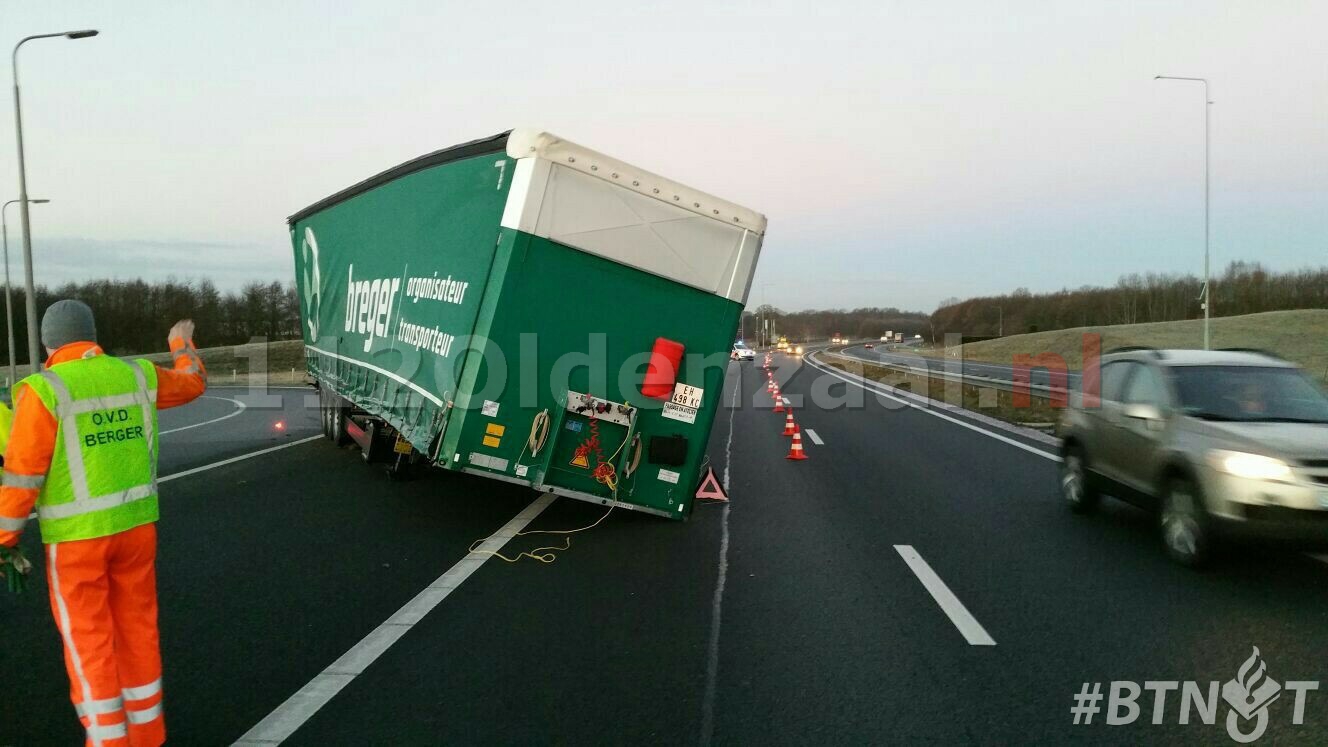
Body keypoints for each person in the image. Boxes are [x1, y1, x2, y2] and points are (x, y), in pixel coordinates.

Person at [0, 300, 206, 747]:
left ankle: (109, 741)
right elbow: (192, 384)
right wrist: (181, 342)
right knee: (138, 631)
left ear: (47, 342)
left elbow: (22, 475)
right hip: (135, 532)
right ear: (93, 335)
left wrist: (5, 538)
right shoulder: (135, 375)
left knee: (89, 643)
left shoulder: (43, 389)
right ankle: (148, 736)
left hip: (76, 543)